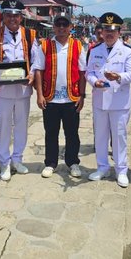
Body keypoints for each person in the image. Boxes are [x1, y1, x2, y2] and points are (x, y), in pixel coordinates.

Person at [0, 0, 42, 181]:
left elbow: (36, 60)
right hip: (4, 90)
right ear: (3, 17)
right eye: (8, 15)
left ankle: (17, 158)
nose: (12, 19)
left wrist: (32, 74)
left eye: (16, 15)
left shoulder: (31, 35)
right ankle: (4, 162)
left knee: (22, 126)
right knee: (4, 126)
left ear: (21, 17)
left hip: (23, 89)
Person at [85, 12, 131, 188]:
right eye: (106, 29)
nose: (109, 33)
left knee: (119, 137)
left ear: (119, 32)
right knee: (100, 136)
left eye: (113, 30)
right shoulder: (94, 50)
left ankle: (121, 170)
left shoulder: (128, 51)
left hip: (119, 102)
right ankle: (102, 167)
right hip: (100, 100)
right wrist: (94, 81)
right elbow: (89, 72)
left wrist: (118, 76)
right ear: (101, 31)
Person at [34, 15, 87, 179]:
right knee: (51, 132)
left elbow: (83, 72)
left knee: (72, 133)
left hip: (71, 98)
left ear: (71, 27)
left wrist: (82, 96)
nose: (62, 28)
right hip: (50, 98)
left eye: (65, 25)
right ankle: (50, 163)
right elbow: (38, 70)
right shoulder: (44, 46)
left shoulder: (78, 46)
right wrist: (40, 94)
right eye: (59, 24)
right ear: (54, 27)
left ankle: (73, 162)